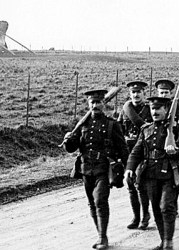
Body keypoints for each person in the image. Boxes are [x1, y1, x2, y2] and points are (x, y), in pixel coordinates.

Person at [63, 89, 129, 250]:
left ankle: (103, 237)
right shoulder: (82, 124)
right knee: (92, 203)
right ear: (88, 104)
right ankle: (100, 233)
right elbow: (72, 148)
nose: (95, 105)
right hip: (86, 169)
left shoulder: (112, 124)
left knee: (100, 200)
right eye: (92, 102)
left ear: (103, 104)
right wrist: (67, 140)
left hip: (104, 169)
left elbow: (123, 149)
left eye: (99, 102)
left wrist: (128, 169)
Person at [125, 96, 179, 250]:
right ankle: (163, 240)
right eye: (152, 108)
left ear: (166, 110)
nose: (155, 112)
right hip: (150, 174)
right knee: (156, 208)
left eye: (158, 108)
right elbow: (136, 151)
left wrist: (174, 151)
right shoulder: (146, 129)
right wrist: (130, 168)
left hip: (169, 174)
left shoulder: (175, 128)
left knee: (167, 207)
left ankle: (169, 242)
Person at [117, 81, 152, 230]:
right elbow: (119, 130)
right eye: (133, 92)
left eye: (139, 92)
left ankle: (145, 216)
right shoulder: (125, 110)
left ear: (144, 93)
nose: (136, 95)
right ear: (130, 94)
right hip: (128, 151)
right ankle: (136, 216)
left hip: (143, 151)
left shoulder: (149, 109)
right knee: (130, 185)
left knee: (140, 185)